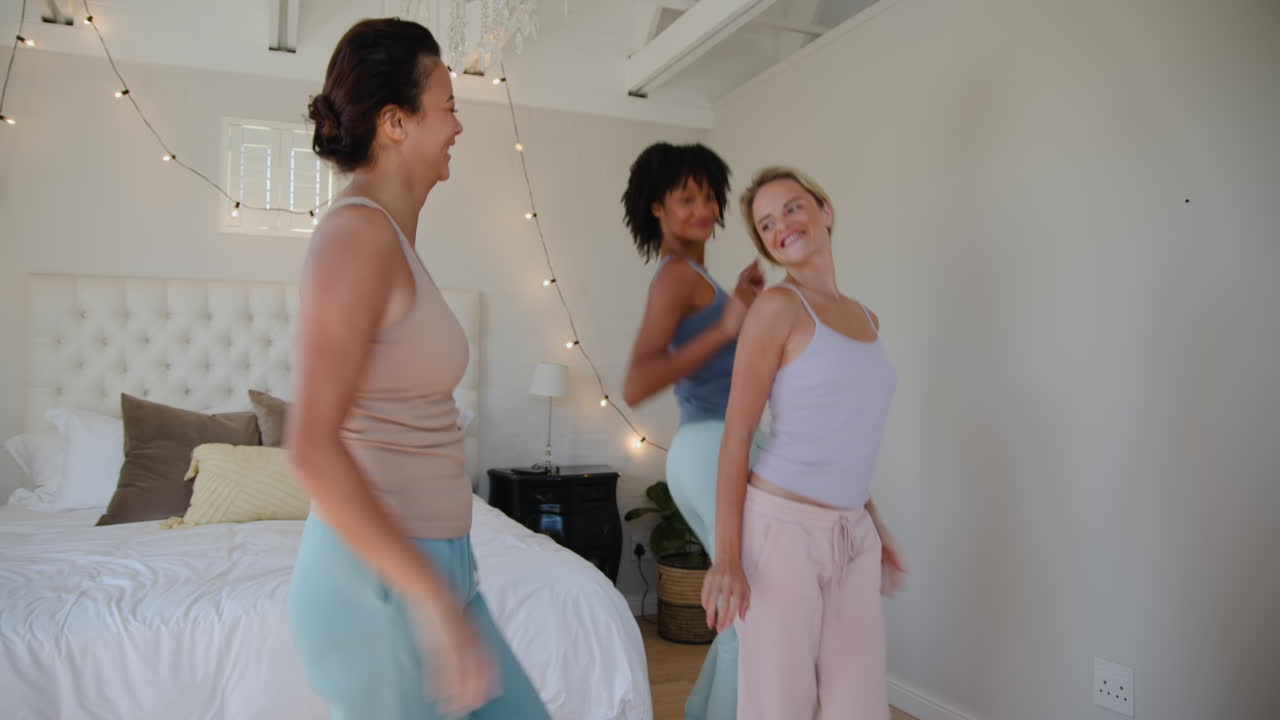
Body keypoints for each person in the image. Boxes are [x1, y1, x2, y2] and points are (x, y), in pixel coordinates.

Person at [284, 18, 550, 720]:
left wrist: (445, 586)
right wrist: (427, 596)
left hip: (438, 567)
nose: (460, 126)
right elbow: (309, 445)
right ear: (396, 122)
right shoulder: (356, 236)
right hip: (379, 582)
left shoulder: (391, 238)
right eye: (450, 105)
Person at [701, 166, 906, 720]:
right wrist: (727, 558)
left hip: (851, 535)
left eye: (792, 208)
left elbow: (843, 434)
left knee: (856, 706)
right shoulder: (777, 310)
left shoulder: (867, 318)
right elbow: (737, 436)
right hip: (780, 535)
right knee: (779, 706)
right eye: (766, 224)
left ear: (825, 210)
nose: (782, 227)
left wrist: (872, 519)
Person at [621, 141, 763, 720]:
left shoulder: (697, 276)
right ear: (658, 207)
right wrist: (728, 325)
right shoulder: (675, 278)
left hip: (722, 446)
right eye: (686, 197)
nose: (702, 208)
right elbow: (636, 382)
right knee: (750, 616)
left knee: (740, 612)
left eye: (708, 195)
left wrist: (743, 311)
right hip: (711, 448)